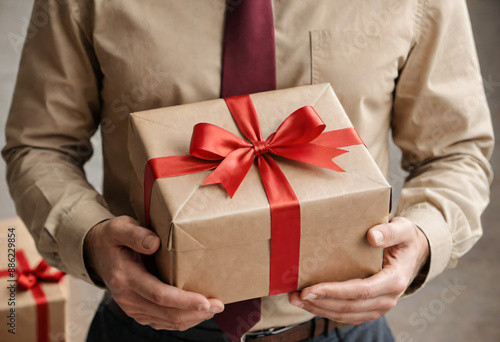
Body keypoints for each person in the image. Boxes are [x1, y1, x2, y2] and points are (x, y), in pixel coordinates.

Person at [2, 0, 493, 341]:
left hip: (343, 331)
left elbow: (455, 150)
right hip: (146, 329)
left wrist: (422, 243)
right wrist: (90, 238)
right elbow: (39, 145)